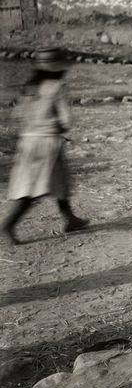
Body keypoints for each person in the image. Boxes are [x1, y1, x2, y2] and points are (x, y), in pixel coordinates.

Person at [0, 48, 89, 246]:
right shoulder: (57, 87)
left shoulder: (30, 87)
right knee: (36, 187)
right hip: (48, 143)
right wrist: (59, 126)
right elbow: (67, 120)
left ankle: (71, 219)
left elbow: (17, 115)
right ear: (59, 69)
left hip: (28, 142)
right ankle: (8, 224)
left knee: (58, 180)